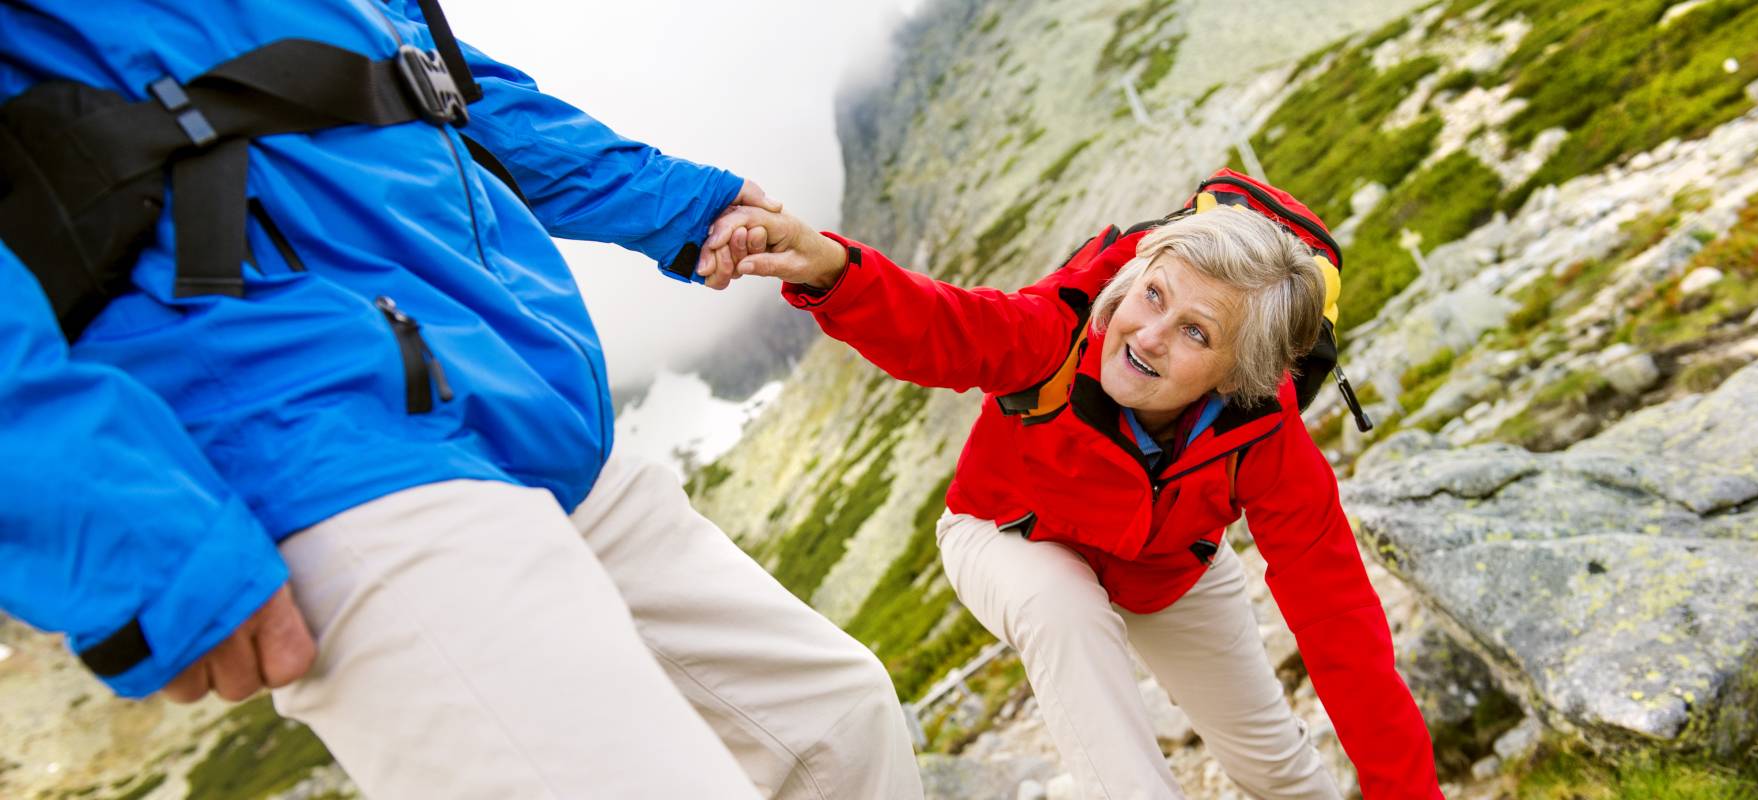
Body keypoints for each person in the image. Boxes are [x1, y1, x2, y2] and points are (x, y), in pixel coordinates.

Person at [0, 2, 923, 798]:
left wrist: (680, 204)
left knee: (835, 724)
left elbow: (418, 73)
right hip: (302, 430)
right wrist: (133, 535)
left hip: (500, 376)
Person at [700, 178, 1443, 798]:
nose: (1148, 334)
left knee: (1277, 769)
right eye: (1152, 295)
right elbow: (944, 328)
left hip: (1164, 568)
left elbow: (1342, 624)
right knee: (1062, 609)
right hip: (1005, 533)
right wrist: (830, 267)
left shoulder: (1265, 434)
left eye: (1196, 333)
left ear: (1238, 374)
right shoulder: (1064, 323)